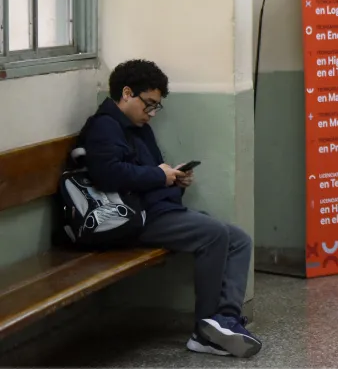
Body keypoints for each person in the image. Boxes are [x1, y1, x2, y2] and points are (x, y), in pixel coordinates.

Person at [81, 60, 261, 358]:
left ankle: (225, 319)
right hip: (132, 218)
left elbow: (148, 171)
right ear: (126, 93)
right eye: (148, 105)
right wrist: (159, 176)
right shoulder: (104, 127)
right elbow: (108, 174)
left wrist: (173, 180)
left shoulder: (138, 128)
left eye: (156, 107)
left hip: (156, 209)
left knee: (240, 239)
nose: (151, 114)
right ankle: (204, 332)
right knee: (214, 234)